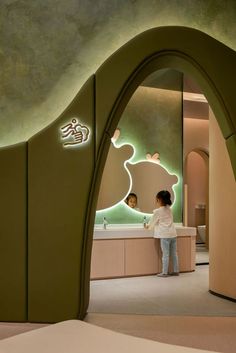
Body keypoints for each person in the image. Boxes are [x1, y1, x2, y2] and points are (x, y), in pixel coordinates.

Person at [145, 190, 179, 277]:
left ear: (159, 200)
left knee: (166, 254)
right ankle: (176, 270)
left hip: (164, 235)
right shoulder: (169, 209)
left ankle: (164, 272)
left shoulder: (157, 211)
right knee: (174, 253)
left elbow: (152, 222)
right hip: (173, 234)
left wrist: (147, 226)